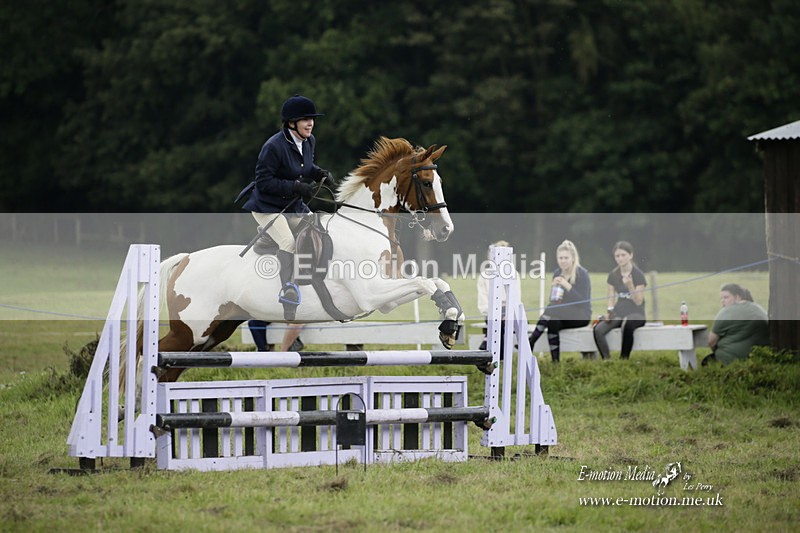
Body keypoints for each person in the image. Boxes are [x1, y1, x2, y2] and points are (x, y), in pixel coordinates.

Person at [238, 94, 332, 319]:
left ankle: (316, 277)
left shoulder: (309, 140)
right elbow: (264, 182)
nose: (310, 123)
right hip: (267, 207)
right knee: (289, 243)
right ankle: (288, 292)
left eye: (312, 119)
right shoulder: (273, 147)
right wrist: (296, 187)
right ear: (291, 123)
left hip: (291, 205)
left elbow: (304, 166)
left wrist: (319, 173)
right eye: (305, 119)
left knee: (318, 228)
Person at [528, 240, 591, 362]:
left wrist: (567, 286)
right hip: (562, 313)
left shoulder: (582, 274)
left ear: (573, 258)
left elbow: (583, 301)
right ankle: (555, 361)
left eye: (566, 258)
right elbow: (554, 301)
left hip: (581, 315)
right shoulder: (557, 273)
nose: (563, 260)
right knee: (553, 321)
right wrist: (555, 289)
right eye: (560, 258)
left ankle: (532, 340)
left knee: (552, 308)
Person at [593, 241, 647, 360]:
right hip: (619, 312)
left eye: (623, 255)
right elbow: (611, 297)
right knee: (598, 329)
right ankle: (607, 359)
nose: (620, 258)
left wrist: (630, 285)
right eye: (617, 256)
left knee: (627, 324)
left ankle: (624, 358)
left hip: (636, 313)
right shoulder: (613, 275)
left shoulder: (638, 275)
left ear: (630, 255)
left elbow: (638, 301)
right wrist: (609, 311)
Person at [703, 283, 768, 366]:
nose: (722, 300)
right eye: (721, 298)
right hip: (759, 358)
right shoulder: (758, 308)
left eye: (726, 297)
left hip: (728, 360)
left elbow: (711, 342)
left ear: (737, 297)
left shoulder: (726, 312)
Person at [476, 240, 521, 351]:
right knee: (498, 322)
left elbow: (516, 299)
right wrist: (496, 313)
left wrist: (508, 313)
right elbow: (483, 304)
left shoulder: (513, 274)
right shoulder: (484, 276)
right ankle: (495, 354)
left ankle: (487, 347)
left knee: (504, 323)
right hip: (492, 313)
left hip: (510, 312)